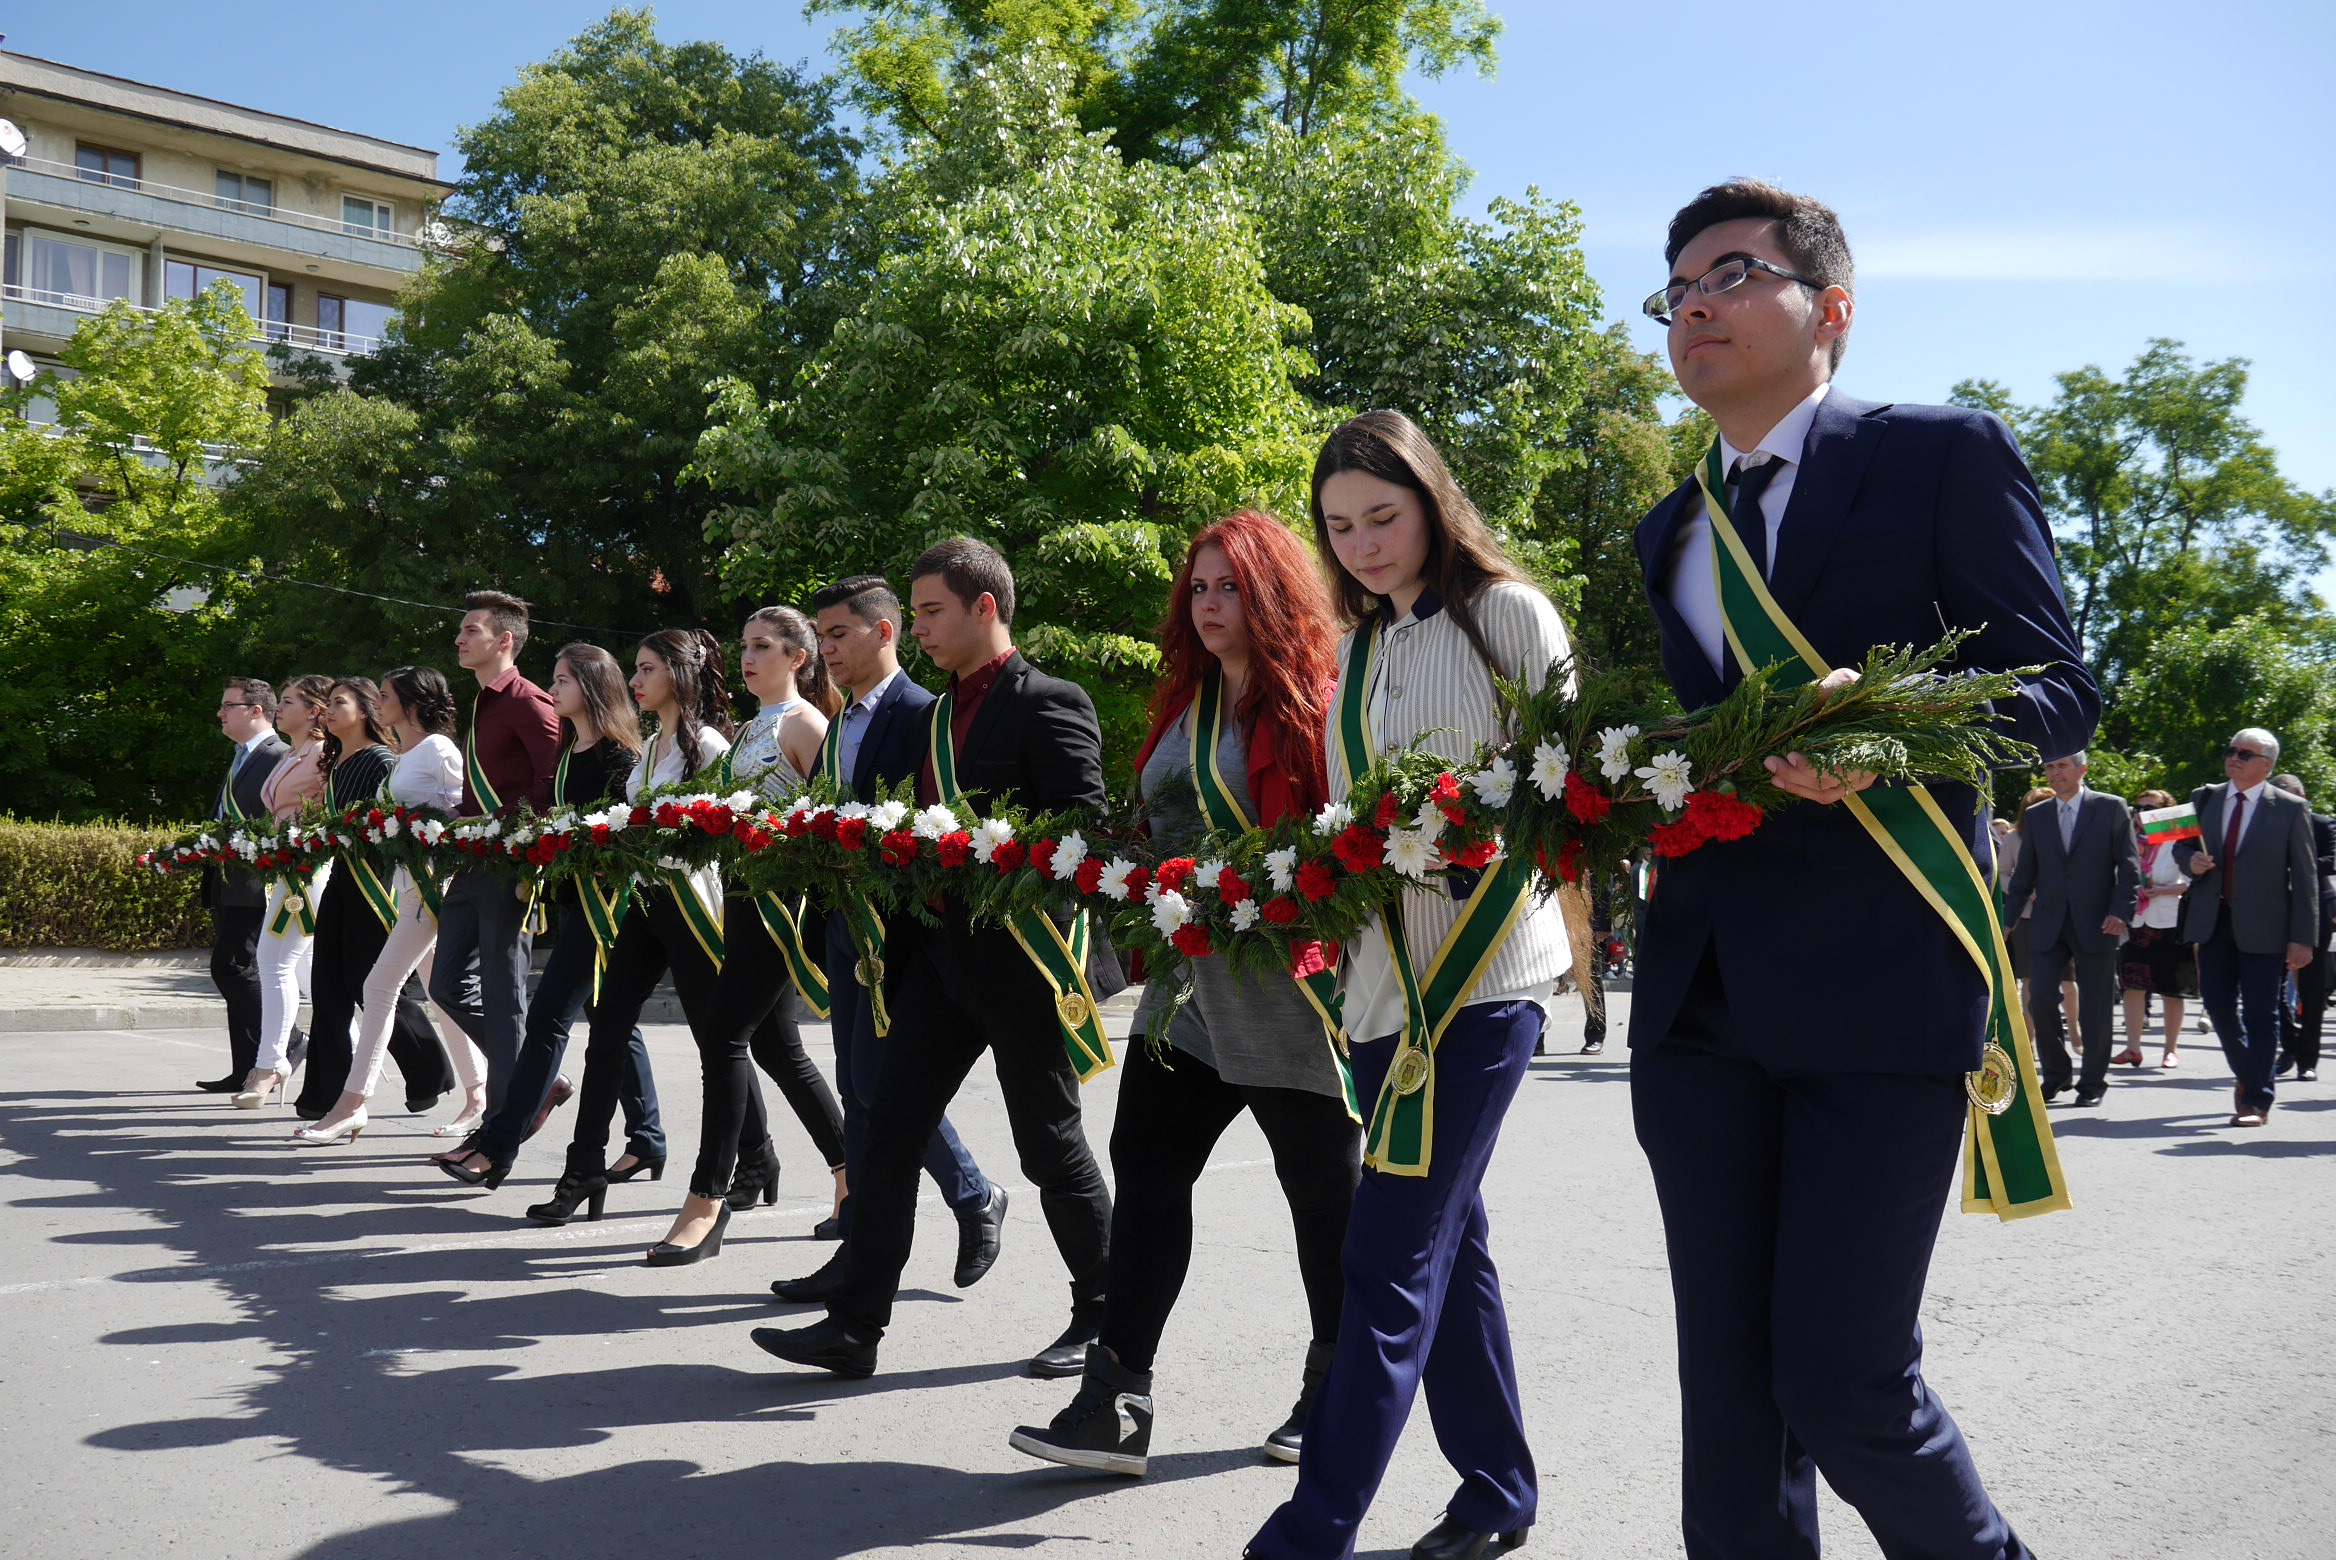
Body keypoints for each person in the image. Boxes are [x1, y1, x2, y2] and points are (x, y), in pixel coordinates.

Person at [1626, 180, 2097, 1560]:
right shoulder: (1675, 529)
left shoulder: (1942, 454)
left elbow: (2058, 689)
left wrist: (1893, 736)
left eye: (1730, 274)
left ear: (1830, 309)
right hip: (1701, 1000)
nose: (1694, 305)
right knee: (1728, 1404)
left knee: (1842, 1385)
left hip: (1883, 989)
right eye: (1675, 289)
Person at [1244, 415, 1572, 1560]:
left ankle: (1311, 1528)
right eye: (1339, 526)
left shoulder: (1508, 617)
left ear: (1432, 501)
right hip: (1385, 996)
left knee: (1386, 1257)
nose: (1364, 543)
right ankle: (1496, 1492)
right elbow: (1350, 826)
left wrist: (1458, 834)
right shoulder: (1359, 648)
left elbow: (1570, 791)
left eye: (1382, 516)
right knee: (1449, 1248)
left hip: (1484, 986)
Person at [1011, 510, 1360, 1477]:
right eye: (1198, 588)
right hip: (1188, 996)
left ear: (1274, 593)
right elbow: (1154, 830)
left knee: (1322, 1202)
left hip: (1290, 998)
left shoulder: (1319, 705)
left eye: (1230, 587)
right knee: (1151, 1177)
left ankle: (1335, 1392)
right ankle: (1114, 1403)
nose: (1209, 605)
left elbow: (1337, 855)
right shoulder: (1186, 702)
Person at [751, 537, 1115, 1381]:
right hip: (936, 965)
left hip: (1020, 965)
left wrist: (980, 853)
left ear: (984, 608)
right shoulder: (935, 716)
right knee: (883, 1134)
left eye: (930, 612)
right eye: (912, 613)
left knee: (1049, 1147)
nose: (916, 631)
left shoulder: (1050, 700)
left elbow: (1082, 830)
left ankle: (1101, 1313)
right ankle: (854, 1328)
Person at [772, 575, 1002, 1303]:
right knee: (858, 1089)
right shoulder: (838, 720)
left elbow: (926, 830)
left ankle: (970, 1196)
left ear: (884, 632)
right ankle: (866, 1248)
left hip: (897, 932)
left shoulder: (919, 713)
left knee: (880, 1091)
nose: (824, 649)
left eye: (838, 633)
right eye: (820, 636)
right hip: (846, 921)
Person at [652, 606, 850, 1244]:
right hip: (739, 898)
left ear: (797, 657)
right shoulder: (746, 732)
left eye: (763, 646)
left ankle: (707, 1200)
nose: (748, 656)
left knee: (723, 1033)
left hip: (780, 907)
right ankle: (853, 1177)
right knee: (778, 1049)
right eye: (744, 645)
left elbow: (832, 824)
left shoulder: (805, 723)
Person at [443, 645, 662, 1191]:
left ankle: (497, 1147)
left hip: (607, 909)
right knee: (612, 1022)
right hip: (572, 900)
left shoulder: (619, 755)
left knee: (546, 1022)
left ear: (591, 687)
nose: (554, 689)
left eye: (563, 680)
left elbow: (625, 835)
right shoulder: (569, 749)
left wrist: (566, 842)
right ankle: (649, 1139)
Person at [552, 629, 738, 1262]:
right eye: (635, 668)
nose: (636, 679)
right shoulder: (652, 743)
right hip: (643, 899)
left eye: (648, 668)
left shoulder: (708, 744)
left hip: (689, 902)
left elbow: (711, 834)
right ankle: (582, 1167)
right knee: (604, 1029)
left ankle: (748, 1165)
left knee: (719, 1040)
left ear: (681, 675)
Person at [295, 667, 487, 1145]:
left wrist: (428, 834)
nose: (377, 702)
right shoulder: (407, 755)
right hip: (410, 888)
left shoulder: (439, 749)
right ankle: (483, 1093)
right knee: (442, 996)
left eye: (384, 695)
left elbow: (469, 811)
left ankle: (352, 1104)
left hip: (434, 889)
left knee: (379, 986)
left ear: (413, 701)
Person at [427, 592, 562, 1139]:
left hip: (510, 862)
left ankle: (512, 1111)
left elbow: (553, 781)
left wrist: (503, 827)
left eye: (471, 632)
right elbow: (479, 792)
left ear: (504, 640)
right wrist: (447, 822)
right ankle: (538, 1078)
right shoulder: (483, 702)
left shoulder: (529, 700)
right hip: (474, 859)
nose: (459, 640)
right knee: (446, 985)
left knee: (505, 994)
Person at [2175, 729, 2317, 1127]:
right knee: (2217, 1007)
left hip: (2267, 928)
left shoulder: (2289, 808)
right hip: (2213, 921)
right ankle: (2251, 1073)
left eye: (2245, 753)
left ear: (2267, 765)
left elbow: (2305, 878)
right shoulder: (2204, 797)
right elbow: (2179, 845)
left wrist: (2303, 938)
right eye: (2231, 750)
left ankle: (2257, 1101)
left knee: (2261, 1014)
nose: (2233, 757)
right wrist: (2190, 862)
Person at [2003, 752, 2140, 1106]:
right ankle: (2056, 1075)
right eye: (2049, 766)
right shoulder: (2037, 816)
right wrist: (2007, 919)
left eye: (2062, 765)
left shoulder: (2110, 808)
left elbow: (2129, 866)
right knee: (2042, 998)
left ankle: (2092, 1083)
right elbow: (2024, 873)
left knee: (2096, 1006)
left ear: (2082, 769)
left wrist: (2121, 911)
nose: (2054, 772)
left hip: (2098, 923)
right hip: (2047, 922)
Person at [233, 675, 331, 1108]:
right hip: (288, 868)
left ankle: (271, 1064)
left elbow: (329, 811)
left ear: (313, 710)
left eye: (288, 701)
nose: (279, 707)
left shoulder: (324, 752)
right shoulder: (293, 753)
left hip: (308, 870)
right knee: (310, 973)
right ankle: (342, 1053)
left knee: (272, 962)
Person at [195, 677, 289, 1094]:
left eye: (228, 705)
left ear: (256, 711)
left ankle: (286, 1047)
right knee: (238, 969)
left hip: (257, 883)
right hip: (229, 879)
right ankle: (247, 1067)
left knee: (231, 967)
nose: (220, 713)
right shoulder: (242, 755)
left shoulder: (278, 755)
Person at [2120, 788, 2196, 1068]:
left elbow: (2194, 881)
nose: (2142, 814)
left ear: (2165, 812)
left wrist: (2163, 890)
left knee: (2171, 988)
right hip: (2137, 922)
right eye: (2138, 808)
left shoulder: (2177, 840)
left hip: (2169, 921)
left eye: (2150, 807)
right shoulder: (2129, 841)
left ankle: (2170, 1049)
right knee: (2132, 985)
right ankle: (2133, 1048)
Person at [2271, 772, 2332, 1083]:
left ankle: (2308, 1059)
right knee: (2270, 987)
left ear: (2303, 799)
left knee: (2311, 991)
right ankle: (2290, 1046)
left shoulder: (2322, 824)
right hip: (2273, 913)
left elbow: (2331, 860)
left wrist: (2295, 864)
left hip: (2314, 911)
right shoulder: (2265, 823)